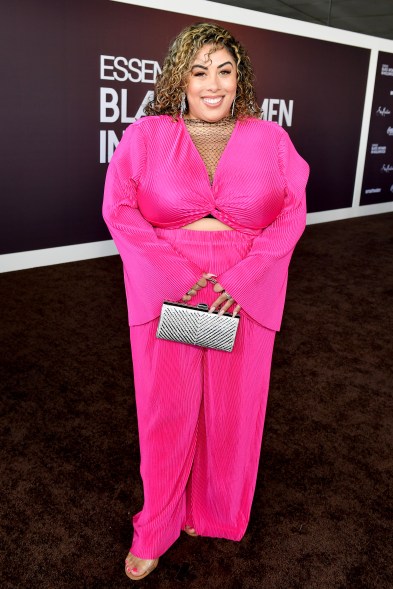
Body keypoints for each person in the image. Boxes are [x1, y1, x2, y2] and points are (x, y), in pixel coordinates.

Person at [103, 22, 309, 581]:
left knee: (233, 407)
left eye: (224, 70)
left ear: (238, 78)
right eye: (200, 72)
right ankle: (157, 526)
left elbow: (291, 214)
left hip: (246, 284)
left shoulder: (271, 140)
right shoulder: (147, 136)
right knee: (168, 408)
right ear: (181, 79)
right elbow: (120, 209)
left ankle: (214, 511)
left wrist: (240, 280)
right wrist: (173, 271)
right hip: (171, 282)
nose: (212, 84)